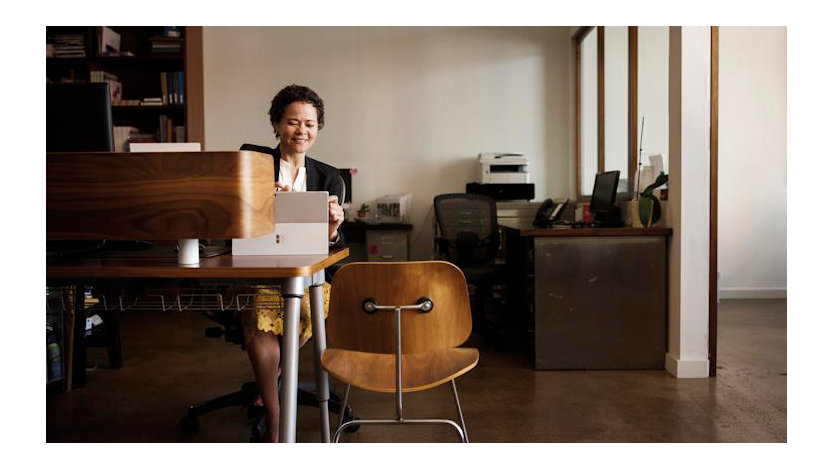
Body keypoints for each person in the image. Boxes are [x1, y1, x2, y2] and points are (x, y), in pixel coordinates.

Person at [239, 84, 344, 442]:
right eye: (293, 122)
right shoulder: (252, 166)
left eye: (310, 124)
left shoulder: (330, 178)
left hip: (309, 277)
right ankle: (275, 414)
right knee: (260, 315)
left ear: (318, 128)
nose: (302, 131)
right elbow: (235, 225)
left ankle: (272, 382)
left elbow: (332, 247)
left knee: (300, 309)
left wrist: (331, 228)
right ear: (276, 124)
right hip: (260, 273)